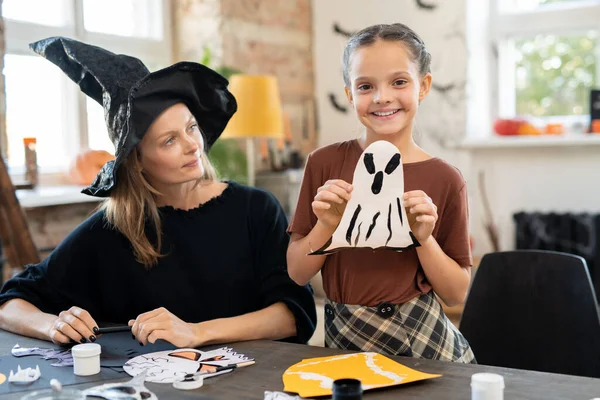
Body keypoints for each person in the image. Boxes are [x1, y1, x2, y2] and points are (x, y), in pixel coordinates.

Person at [0, 37, 316, 348]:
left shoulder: (254, 209)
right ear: (136, 162)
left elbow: (293, 315)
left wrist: (196, 332)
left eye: (191, 128)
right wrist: (53, 324)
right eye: (169, 140)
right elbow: (10, 303)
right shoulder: (111, 231)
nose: (193, 145)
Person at [287, 23, 474, 362]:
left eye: (399, 81)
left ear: (423, 86)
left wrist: (423, 238)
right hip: (343, 337)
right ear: (349, 95)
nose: (382, 97)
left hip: (423, 344)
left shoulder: (445, 178)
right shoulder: (323, 163)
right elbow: (297, 272)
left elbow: (456, 292)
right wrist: (327, 225)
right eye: (365, 86)